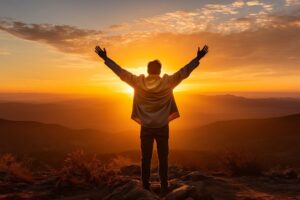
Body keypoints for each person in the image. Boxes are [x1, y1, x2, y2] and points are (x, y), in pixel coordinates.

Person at [95, 45, 209, 196]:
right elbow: (184, 71)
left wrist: (106, 59)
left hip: (146, 126)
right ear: (160, 71)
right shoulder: (168, 82)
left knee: (145, 157)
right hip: (162, 125)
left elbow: (120, 72)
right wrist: (198, 58)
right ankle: (163, 186)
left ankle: (145, 185)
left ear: (148, 70)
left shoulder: (138, 82)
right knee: (163, 157)